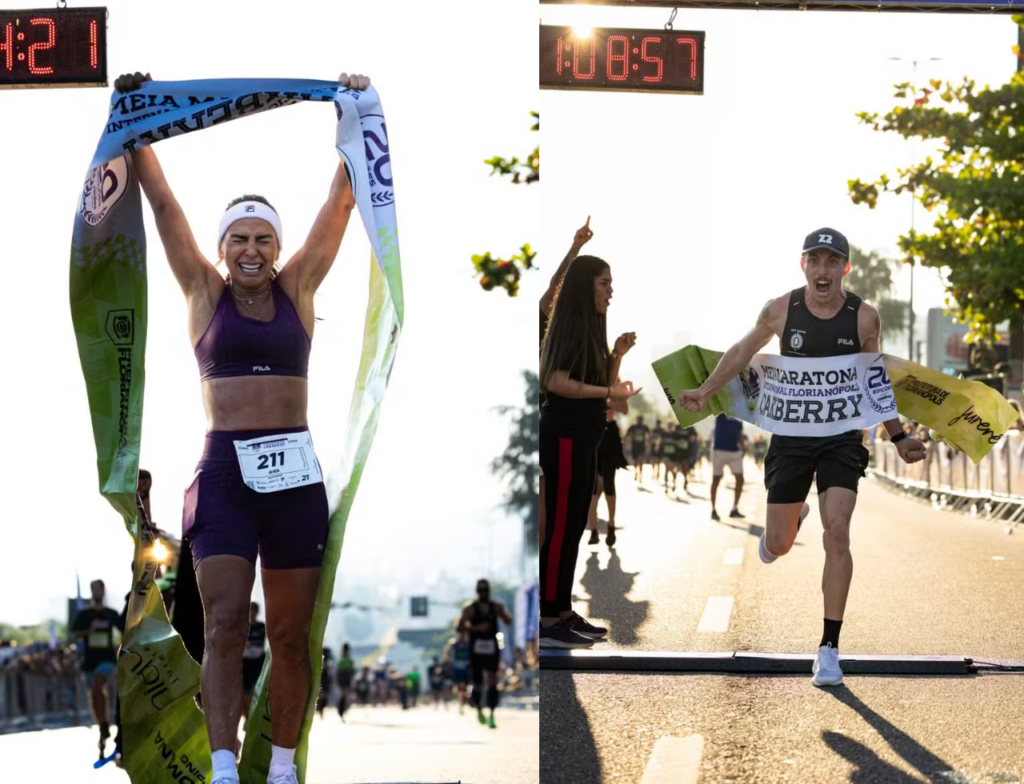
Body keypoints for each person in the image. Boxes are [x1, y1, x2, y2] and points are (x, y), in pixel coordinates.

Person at [114, 68, 373, 784]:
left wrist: (355, 108)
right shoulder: (203, 292)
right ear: (223, 249)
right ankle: (225, 767)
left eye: (263, 238)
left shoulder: (300, 289)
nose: (252, 250)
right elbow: (163, 203)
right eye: (239, 239)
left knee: (290, 635)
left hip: (294, 475)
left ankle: (283, 766)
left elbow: (344, 198)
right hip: (225, 473)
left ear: (278, 248)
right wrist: (136, 121)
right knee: (226, 624)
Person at [677, 228, 925, 687]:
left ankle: (829, 649)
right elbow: (740, 352)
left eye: (833, 262)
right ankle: (790, 522)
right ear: (803, 265)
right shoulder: (779, 309)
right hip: (791, 436)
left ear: (845, 269)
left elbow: (874, 381)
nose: (823, 270)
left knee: (838, 534)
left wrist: (898, 436)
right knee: (779, 544)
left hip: (843, 437)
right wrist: (705, 391)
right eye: (816, 260)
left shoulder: (864, 318)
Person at [539, 253, 640, 649]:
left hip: (585, 436)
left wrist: (615, 356)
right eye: (604, 282)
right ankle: (547, 620)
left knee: (576, 525)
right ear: (585, 286)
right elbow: (556, 381)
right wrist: (609, 391)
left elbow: (599, 383)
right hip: (563, 434)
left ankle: (562, 610)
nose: (611, 290)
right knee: (562, 526)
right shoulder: (570, 326)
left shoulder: (593, 328)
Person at [540, 218, 596, 550]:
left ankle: (556, 595)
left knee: (566, 521)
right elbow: (552, 292)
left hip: (574, 430)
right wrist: (575, 250)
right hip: (548, 424)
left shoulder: (578, 333)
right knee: (550, 521)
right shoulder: (550, 324)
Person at [71, 579, 124, 761]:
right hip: (89, 661)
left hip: (106, 659)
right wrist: (89, 631)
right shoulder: (85, 614)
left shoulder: (111, 614)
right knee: (94, 695)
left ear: (104, 591)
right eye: (94, 590)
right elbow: (75, 634)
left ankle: (105, 724)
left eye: (100, 589)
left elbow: (126, 628)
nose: (97, 593)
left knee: (97, 686)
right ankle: (102, 725)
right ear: (91, 592)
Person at [457, 579, 512, 729]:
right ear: (477, 592)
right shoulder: (470, 609)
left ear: (489, 591)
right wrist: (476, 628)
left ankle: (492, 714)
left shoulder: (496, 607)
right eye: (481, 591)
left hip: (492, 647)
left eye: (485, 590)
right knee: (478, 682)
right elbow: (459, 627)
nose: (483, 593)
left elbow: (508, 621)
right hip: (476, 648)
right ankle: (479, 709)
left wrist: (503, 614)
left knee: (493, 680)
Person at [588, 400, 629, 546]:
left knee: (609, 484)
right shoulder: (588, 381)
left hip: (610, 434)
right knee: (592, 487)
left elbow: (625, 409)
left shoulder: (616, 387)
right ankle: (593, 530)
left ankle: (611, 525)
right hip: (592, 432)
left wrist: (606, 400)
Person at [710, 414, 748, 521]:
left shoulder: (740, 415)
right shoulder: (721, 412)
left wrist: (743, 447)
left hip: (734, 451)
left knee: (740, 480)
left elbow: (739, 433)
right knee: (716, 480)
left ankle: (734, 509)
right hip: (719, 451)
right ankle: (713, 509)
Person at [241, 602, 267, 730]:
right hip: (244, 664)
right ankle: (246, 715)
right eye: (250, 610)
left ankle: (250, 718)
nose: (252, 613)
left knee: (253, 691)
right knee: (243, 693)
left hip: (257, 663)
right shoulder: (242, 626)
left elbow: (262, 643)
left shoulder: (262, 627)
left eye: (254, 611)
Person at [447, 633, 472, 714]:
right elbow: (447, 654)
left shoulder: (469, 644)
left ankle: (464, 700)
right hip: (456, 670)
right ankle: (461, 703)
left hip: (466, 670)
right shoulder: (453, 645)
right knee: (459, 687)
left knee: (466, 687)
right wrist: (449, 665)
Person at [625, 415, 651, 485]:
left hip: (641, 447)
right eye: (639, 420)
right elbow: (627, 434)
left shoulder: (644, 427)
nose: (640, 421)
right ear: (637, 420)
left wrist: (647, 440)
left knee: (641, 461)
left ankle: (641, 475)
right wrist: (630, 438)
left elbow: (650, 434)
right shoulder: (633, 427)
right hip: (634, 447)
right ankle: (636, 472)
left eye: (641, 420)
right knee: (636, 462)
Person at [335, 643, 355, 721]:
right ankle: (341, 711)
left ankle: (341, 711)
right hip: (344, 680)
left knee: (344, 696)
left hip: (345, 680)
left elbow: (338, 672)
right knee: (344, 696)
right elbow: (339, 672)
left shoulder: (343, 660)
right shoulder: (347, 660)